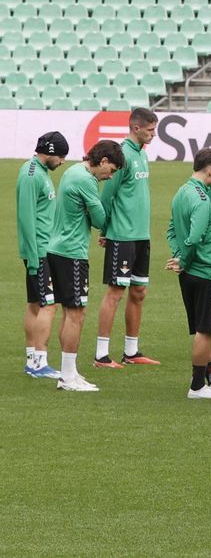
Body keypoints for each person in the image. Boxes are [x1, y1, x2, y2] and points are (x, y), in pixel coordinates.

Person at [46, 140, 124, 392]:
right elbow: (100, 218)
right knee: (76, 314)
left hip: (57, 249)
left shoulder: (73, 171)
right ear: (102, 161)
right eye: (110, 170)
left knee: (70, 313)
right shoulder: (86, 181)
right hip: (72, 253)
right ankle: (68, 377)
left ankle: (69, 372)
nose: (110, 176)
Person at [94, 107, 158, 368]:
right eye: (150, 130)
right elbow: (107, 196)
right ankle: (101, 355)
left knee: (139, 291)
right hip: (122, 234)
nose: (154, 134)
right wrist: (105, 230)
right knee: (116, 292)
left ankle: (131, 351)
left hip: (141, 235)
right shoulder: (122, 155)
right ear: (136, 127)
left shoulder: (142, 154)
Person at [165, 148, 211, 400]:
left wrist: (179, 256)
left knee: (205, 328)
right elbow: (195, 236)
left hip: (190, 273)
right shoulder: (202, 200)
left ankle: (210, 380)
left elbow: (172, 230)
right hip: (206, 271)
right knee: (205, 329)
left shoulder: (181, 193)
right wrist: (184, 258)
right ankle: (196, 386)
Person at [18, 131, 68, 379]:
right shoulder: (31, 175)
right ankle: (39, 361)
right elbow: (26, 218)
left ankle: (31, 358)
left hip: (41, 248)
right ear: (49, 153)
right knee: (49, 304)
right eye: (60, 156)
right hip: (38, 250)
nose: (62, 161)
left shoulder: (40, 172)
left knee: (35, 303)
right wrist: (34, 255)